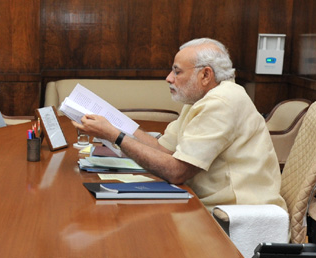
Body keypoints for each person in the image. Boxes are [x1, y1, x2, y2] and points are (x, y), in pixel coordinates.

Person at [72, 38, 286, 212]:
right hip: (203, 203)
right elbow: (164, 149)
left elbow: (176, 172)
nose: (169, 78)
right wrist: (118, 125)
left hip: (232, 213)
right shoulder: (200, 98)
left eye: (177, 71)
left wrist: (115, 136)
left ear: (205, 75)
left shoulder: (222, 103)